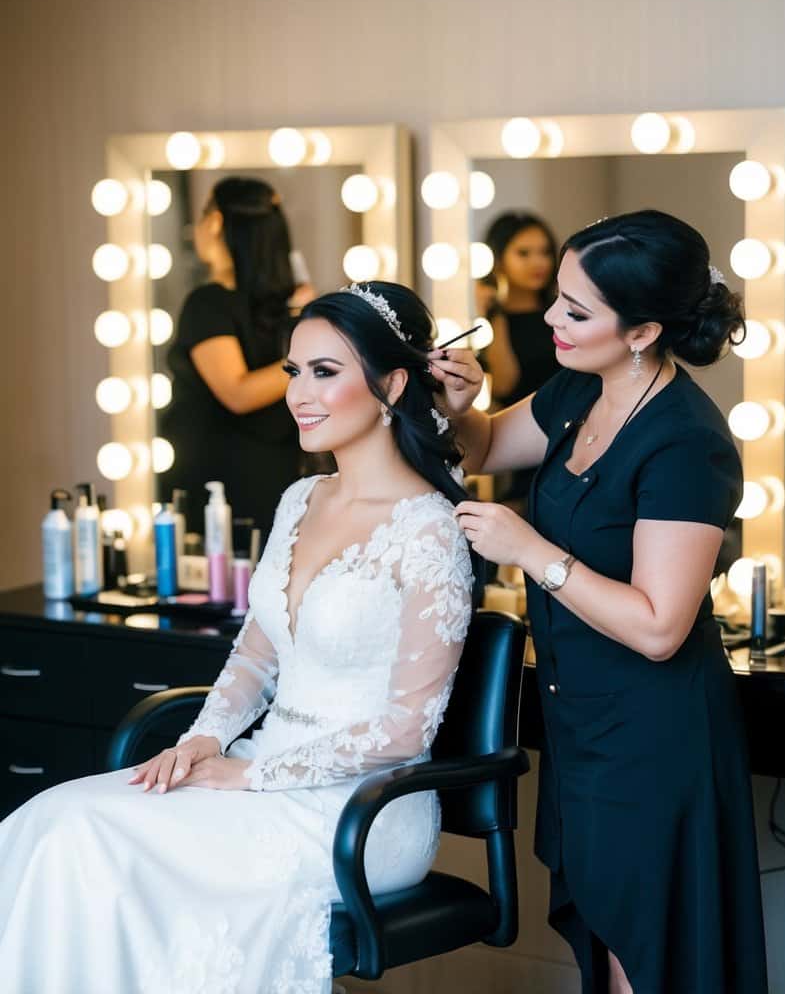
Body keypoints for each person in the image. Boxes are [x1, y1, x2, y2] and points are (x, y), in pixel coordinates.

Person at [0, 283, 475, 994]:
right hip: (256, 766)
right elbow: (255, 653)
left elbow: (407, 730)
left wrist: (252, 775)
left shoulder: (429, 528)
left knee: (90, 841)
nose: (298, 394)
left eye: (325, 371)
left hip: (360, 813)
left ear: (393, 384)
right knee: (48, 821)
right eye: (292, 371)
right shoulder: (299, 500)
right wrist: (203, 739)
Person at [430, 209, 768, 994]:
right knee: (604, 943)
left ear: (644, 330)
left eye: (576, 310)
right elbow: (482, 448)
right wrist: (458, 402)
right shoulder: (579, 389)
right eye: (556, 296)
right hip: (582, 723)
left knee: (646, 957)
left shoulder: (686, 442)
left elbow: (657, 628)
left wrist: (534, 554)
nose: (550, 317)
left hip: (655, 741)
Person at [158, 175, 311, 534]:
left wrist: (307, 357)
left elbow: (238, 393)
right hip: (271, 471)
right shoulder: (284, 306)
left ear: (214, 221)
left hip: (222, 478)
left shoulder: (207, 304)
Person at [479, 210, 560, 408]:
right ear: (498, 258)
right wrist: (494, 315)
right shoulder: (489, 321)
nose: (538, 262)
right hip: (513, 425)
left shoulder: (560, 311)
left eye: (545, 252)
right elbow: (502, 386)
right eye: (523, 253)